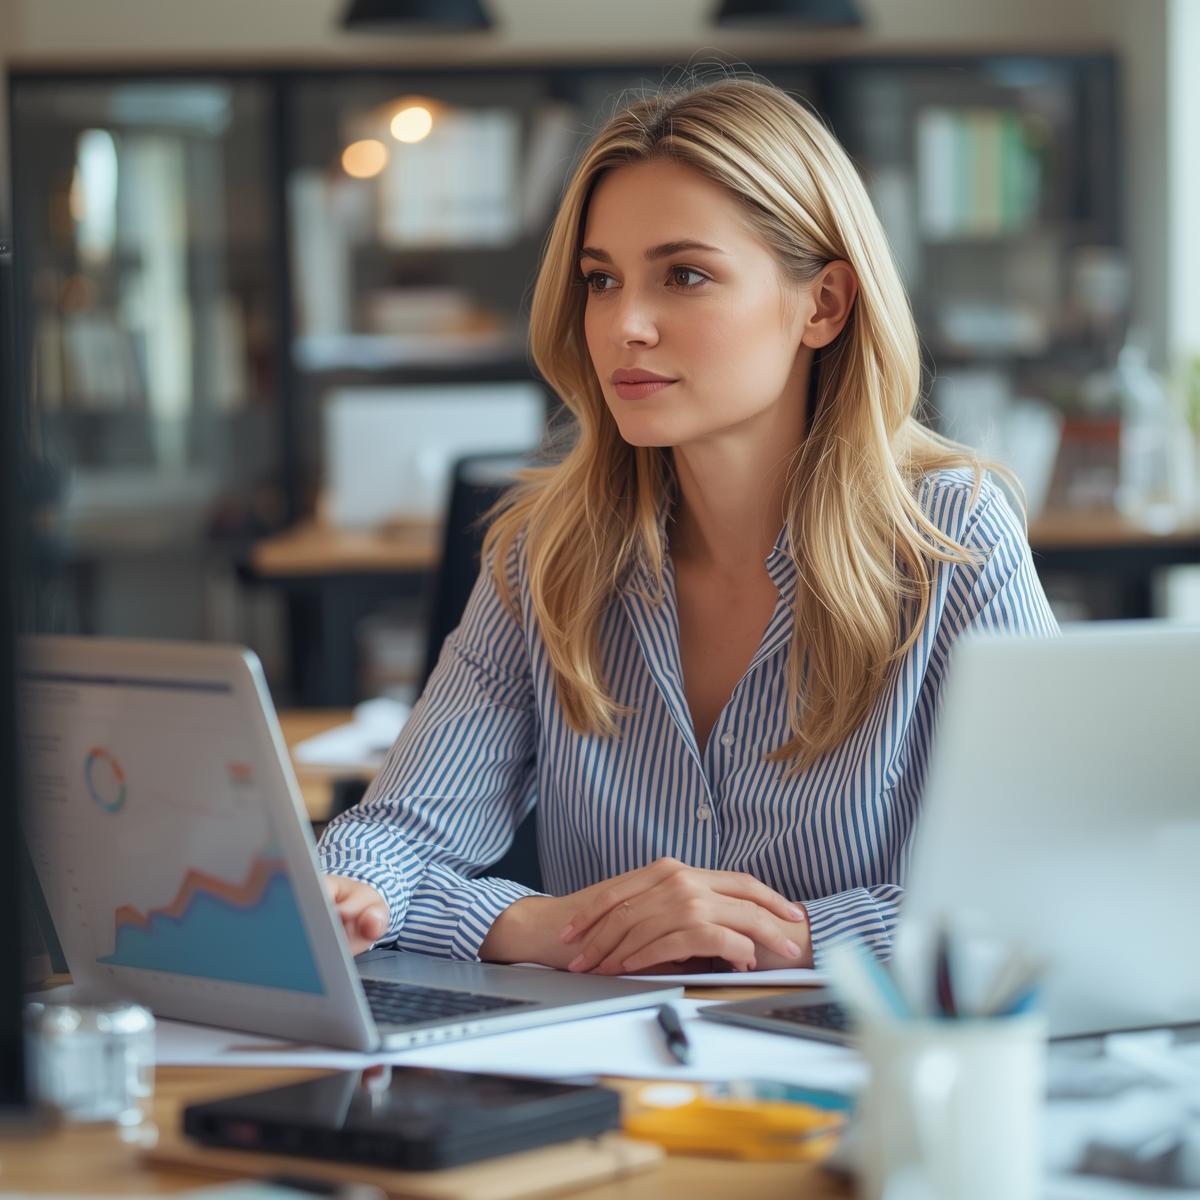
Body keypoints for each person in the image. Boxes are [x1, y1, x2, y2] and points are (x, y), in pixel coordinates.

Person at [318, 76, 1057, 975]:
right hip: (601, 1085)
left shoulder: (955, 537)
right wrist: (543, 927)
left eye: (686, 276)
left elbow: (1040, 887)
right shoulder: (545, 554)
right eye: (601, 281)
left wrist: (796, 937)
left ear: (822, 305)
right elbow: (379, 852)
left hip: (858, 1082)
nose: (625, 324)